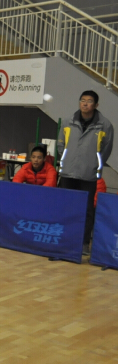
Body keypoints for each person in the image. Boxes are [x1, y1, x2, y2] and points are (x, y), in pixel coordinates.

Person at [57, 90, 113, 253]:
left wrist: (94, 165)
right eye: (82, 100)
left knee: (87, 210)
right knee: (66, 207)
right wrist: (66, 160)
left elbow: (106, 150)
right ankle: (64, 239)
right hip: (68, 172)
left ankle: (84, 243)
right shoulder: (68, 122)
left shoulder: (105, 125)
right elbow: (61, 144)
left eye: (89, 101)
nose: (85, 103)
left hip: (88, 175)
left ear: (96, 105)